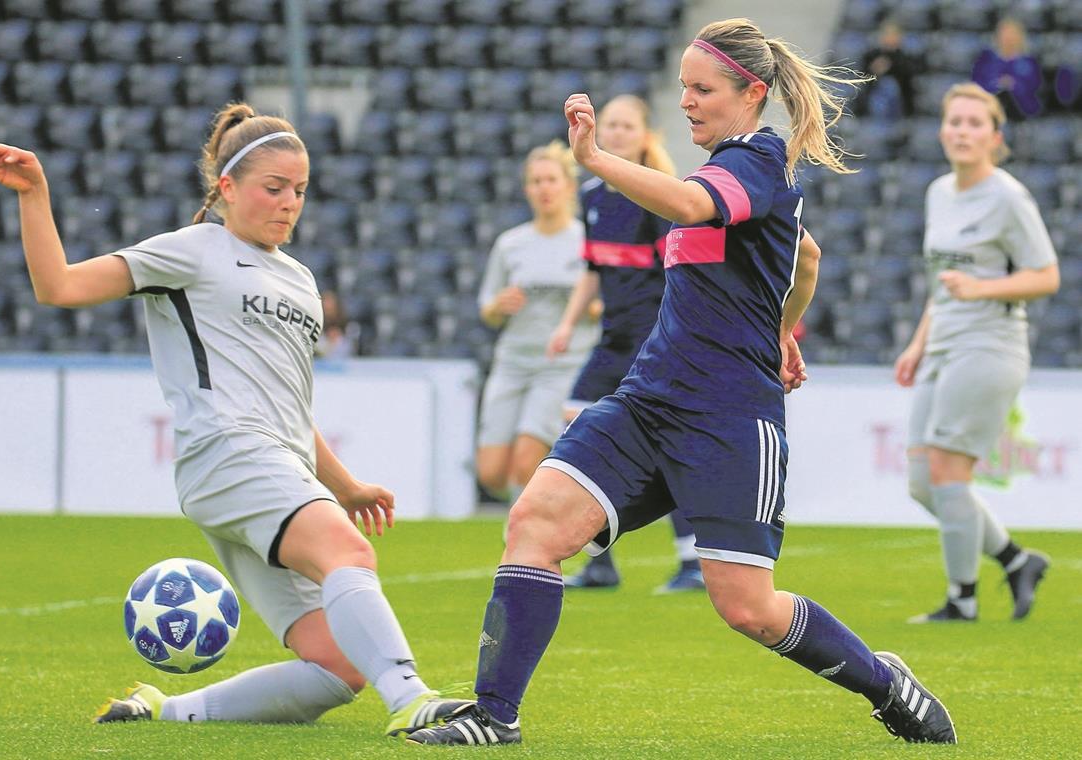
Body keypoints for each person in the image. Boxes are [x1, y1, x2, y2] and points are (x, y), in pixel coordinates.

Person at [408, 18, 957, 747]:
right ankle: (494, 715)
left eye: (702, 90)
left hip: (729, 417)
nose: (689, 102)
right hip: (648, 399)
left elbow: (709, 211)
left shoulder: (759, 159)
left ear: (752, 93)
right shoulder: (734, 169)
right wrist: (784, 330)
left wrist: (596, 157)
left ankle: (885, 683)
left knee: (748, 609)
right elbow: (809, 258)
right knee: (534, 523)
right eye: (683, 89)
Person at [0, 103, 470, 737]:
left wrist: (345, 485)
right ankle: (413, 700)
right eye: (274, 188)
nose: (290, 203)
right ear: (227, 188)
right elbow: (58, 287)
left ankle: (162, 711)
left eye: (300, 190)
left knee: (338, 667)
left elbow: (286, 403)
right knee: (346, 551)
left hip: (271, 464)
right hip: (227, 454)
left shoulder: (301, 279)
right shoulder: (194, 250)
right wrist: (35, 195)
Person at [893, 82, 1058, 624]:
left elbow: (1047, 275)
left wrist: (982, 289)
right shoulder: (939, 191)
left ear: (995, 136)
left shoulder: (1009, 197)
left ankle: (962, 600)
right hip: (942, 342)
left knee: (947, 472)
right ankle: (1016, 559)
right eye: (954, 121)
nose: (962, 131)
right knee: (922, 481)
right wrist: (918, 345)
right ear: (943, 130)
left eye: (974, 123)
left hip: (990, 344)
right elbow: (941, 284)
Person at [546, 94, 704, 594]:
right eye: (608, 124)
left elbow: (680, 273)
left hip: (652, 339)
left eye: (624, 125)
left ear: (644, 135)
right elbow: (594, 271)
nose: (613, 132)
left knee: (660, 447)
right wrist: (568, 323)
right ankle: (600, 560)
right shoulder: (593, 197)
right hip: (612, 339)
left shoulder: (659, 197)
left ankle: (691, 561)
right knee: (579, 428)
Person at [474, 142, 599, 511]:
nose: (544, 188)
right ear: (527, 189)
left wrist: (594, 308)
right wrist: (499, 305)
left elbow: (611, 300)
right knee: (492, 472)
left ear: (568, 186)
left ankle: (522, 544)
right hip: (513, 361)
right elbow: (487, 309)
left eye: (551, 180)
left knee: (525, 462)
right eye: (536, 181)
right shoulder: (511, 244)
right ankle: (550, 511)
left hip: (562, 364)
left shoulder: (584, 240)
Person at [972, 17, 1044, 121]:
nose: (1008, 38)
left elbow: (1035, 87)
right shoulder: (986, 59)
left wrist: (1014, 84)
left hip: (1022, 112)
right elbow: (977, 84)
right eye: (1004, 34)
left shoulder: (1029, 62)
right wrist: (998, 84)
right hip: (990, 111)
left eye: (1012, 34)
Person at [854, 20, 919, 119]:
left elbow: (909, 81)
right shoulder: (870, 56)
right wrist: (874, 71)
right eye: (887, 34)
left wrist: (891, 65)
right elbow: (862, 81)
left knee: (890, 86)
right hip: (872, 102)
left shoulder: (906, 58)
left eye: (893, 35)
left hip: (900, 105)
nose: (890, 38)